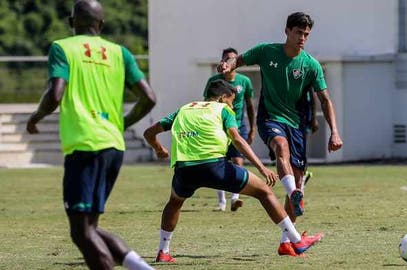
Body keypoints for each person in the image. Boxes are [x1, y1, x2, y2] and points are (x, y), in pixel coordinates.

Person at [26, 1, 157, 269]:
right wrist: (122, 123)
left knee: (81, 231)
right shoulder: (120, 53)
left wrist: (35, 117)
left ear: (72, 22)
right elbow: (149, 98)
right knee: (91, 227)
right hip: (113, 146)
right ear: (102, 24)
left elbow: (55, 93)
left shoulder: (62, 47)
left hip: (85, 146)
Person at [143, 80, 324, 262]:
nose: (233, 105)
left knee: (174, 203)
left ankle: (163, 251)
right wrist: (261, 167)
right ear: (222, 98)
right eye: (231, 100)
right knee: (264, 192)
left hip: (184, 170)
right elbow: (237, 139)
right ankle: (296, 240)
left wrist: (159, 149)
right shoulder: (223, 110)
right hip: (214, 167)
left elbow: (149, 133)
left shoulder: (184, 109)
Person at [218, 12, 343, 256]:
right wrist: (228, 65)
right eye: (298, 32)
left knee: (296, 179)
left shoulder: (310, 65)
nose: (302, 38)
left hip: (295, 125)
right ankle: (293, 193)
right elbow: (240, 59)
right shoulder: (267, 51)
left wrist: (334, 132)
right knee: (280, 148)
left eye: (306, 34)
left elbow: (325, 100)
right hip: (270, 118)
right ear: (287, 31)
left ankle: (287, 241)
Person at [203, 47, 256, 212]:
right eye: (226, 58)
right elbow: (207, 103)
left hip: (238, 126)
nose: (229, 62)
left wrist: (252, 129)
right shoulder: (215, 81)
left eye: (233, 58)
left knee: (238, 161)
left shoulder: (244, 81)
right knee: (219, 161)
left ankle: (235, 198)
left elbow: (249, 106)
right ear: (222, 61)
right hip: (218, 127)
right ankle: (221, 201)